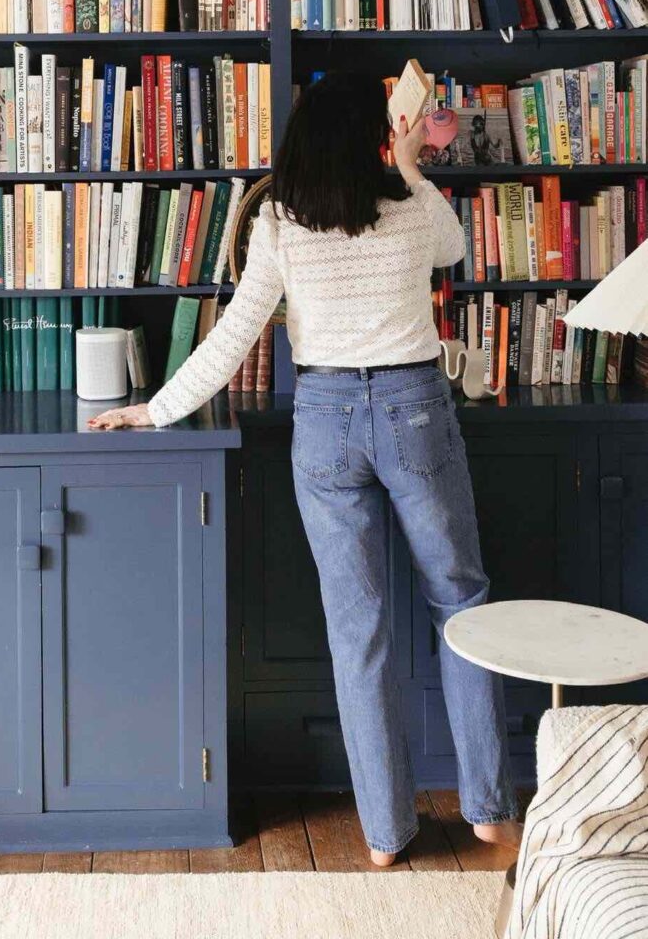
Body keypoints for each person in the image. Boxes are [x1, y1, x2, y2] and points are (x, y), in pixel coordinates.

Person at [88, 71, 519, 867]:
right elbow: (457, 249)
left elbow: (234, 335)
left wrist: (155, 407)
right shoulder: (412, 210)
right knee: (460, 602)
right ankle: (490, 811)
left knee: (359, 632)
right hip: (414, 407)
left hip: (324, 424)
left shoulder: (280, 222)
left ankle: (388, 836)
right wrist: (413, 158)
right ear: (375, 136)